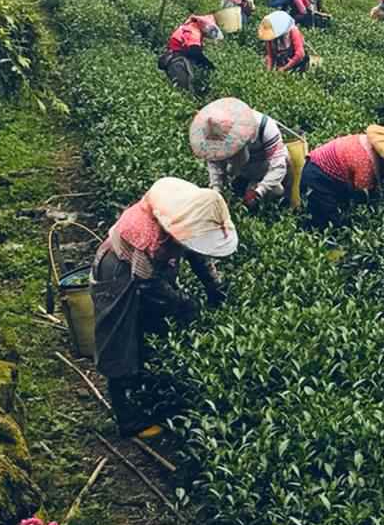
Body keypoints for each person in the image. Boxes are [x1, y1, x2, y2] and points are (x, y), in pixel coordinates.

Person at [90, 177, 237, 437]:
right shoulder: (146, 237)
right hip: (119, 270)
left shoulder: (185, 216)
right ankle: (128, 416)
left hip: (148, 271)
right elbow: (148, 283)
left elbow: (197, 254)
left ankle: (150, 394)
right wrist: (184, 304)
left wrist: (215, 288)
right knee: (121, 337)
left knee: (154, 328)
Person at [300, 126, 384, 228]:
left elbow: (378, 173)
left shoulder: (367, 142)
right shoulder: (364, 162)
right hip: (317, 178)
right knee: (329, 223)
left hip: (321, 170)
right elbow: (363, 196)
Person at [190, 98, 290, 208]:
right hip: (241, 171)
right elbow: (214, 162)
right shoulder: (213, 134)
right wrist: (216, 189)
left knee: (276, 192)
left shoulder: (266, 128)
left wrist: (259, 191)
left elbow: (278, 167)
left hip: (264, 169)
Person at [158, 14, 221, 94]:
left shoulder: (188, 27)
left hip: (174, 59)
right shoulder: (194, 31)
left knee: (181, 89)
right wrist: (208, 65)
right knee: (183, 91)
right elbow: (194, 51)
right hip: (177, 61)